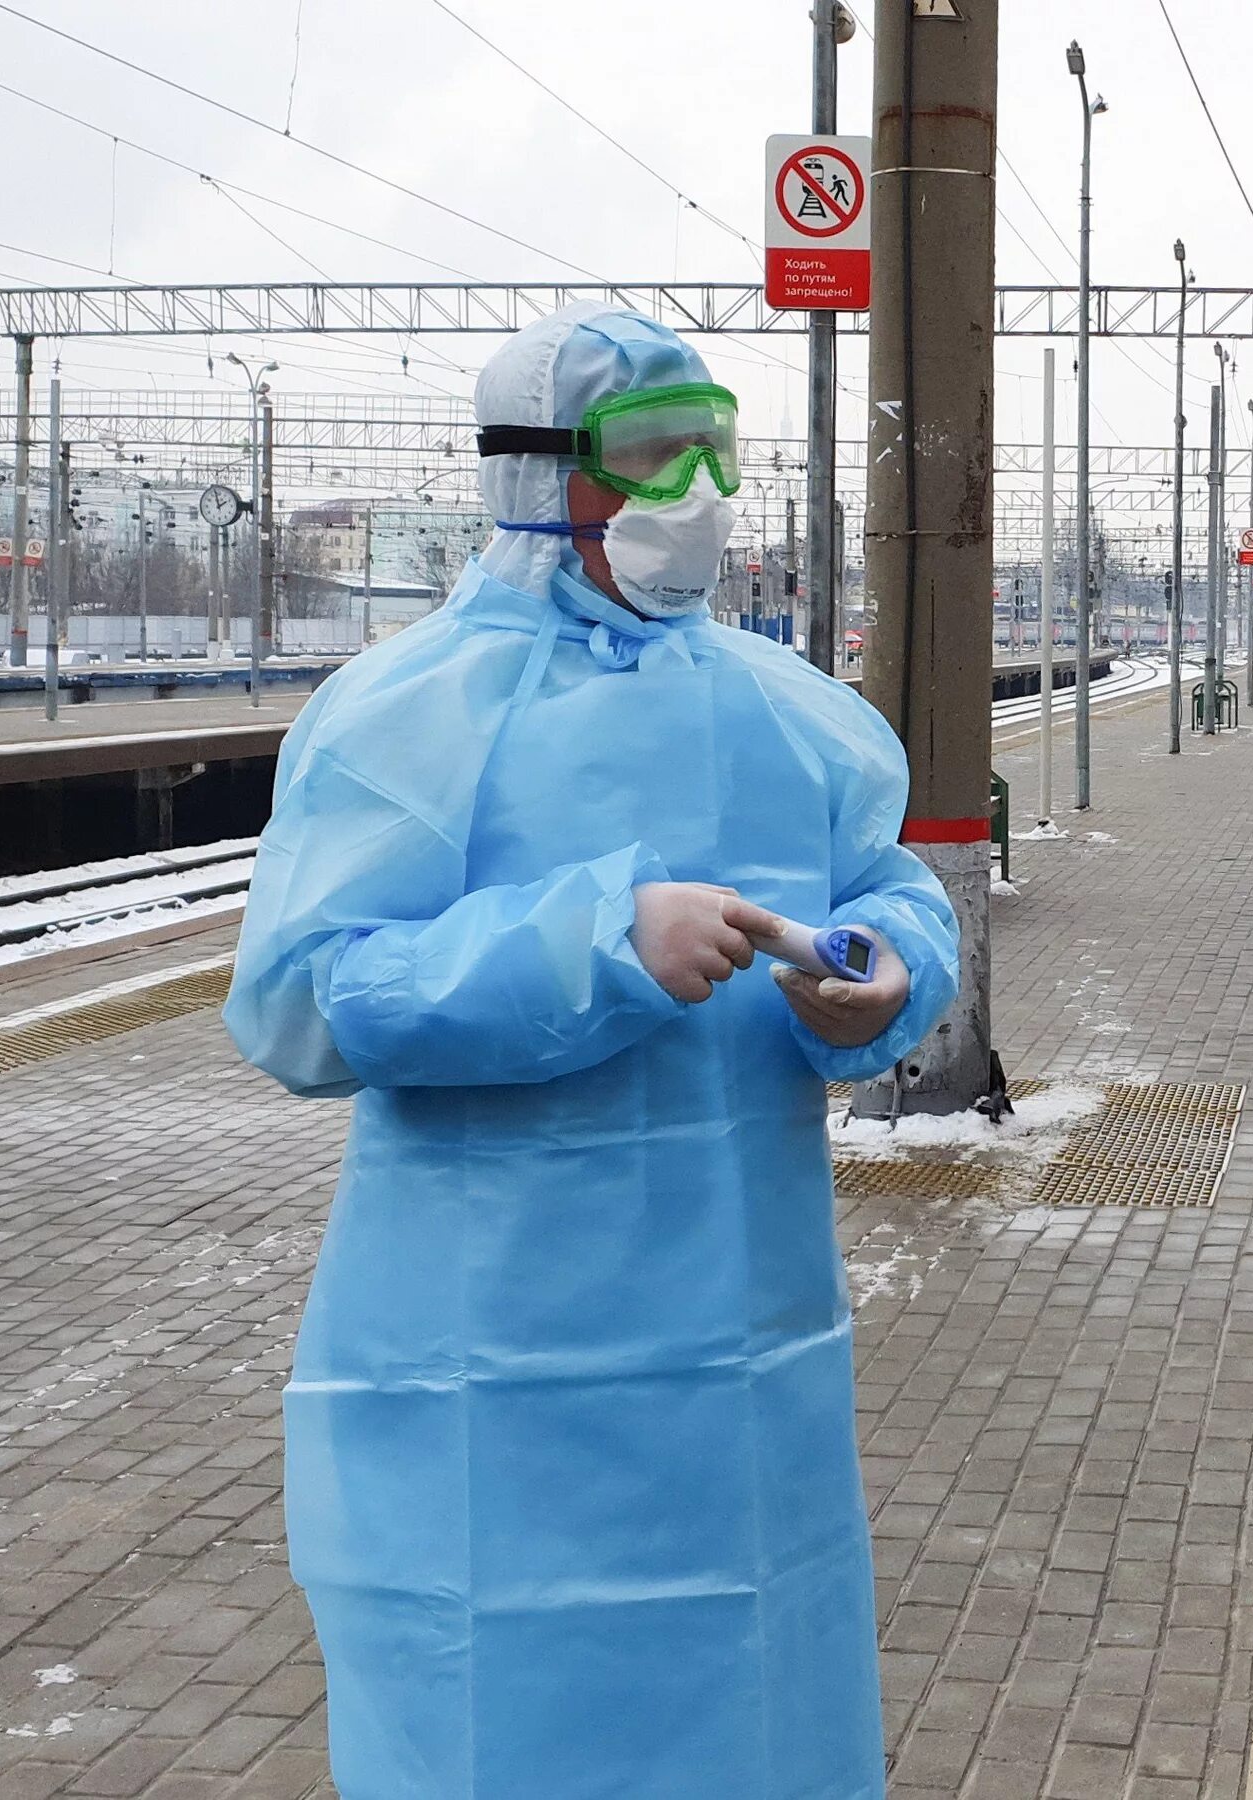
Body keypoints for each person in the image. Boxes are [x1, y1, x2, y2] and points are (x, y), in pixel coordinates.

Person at [227, 303, 957, 1800]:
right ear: (531, 473)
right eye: (645, 455)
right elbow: (303, 998)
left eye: (711, 453)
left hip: (746, 1380)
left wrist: (890, 976)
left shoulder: (792, 719)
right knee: (501, 1729)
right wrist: (593, 947)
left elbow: (890, 888)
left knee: (762, 1707)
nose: (687, 494)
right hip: (483, 1384)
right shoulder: (406, 720)